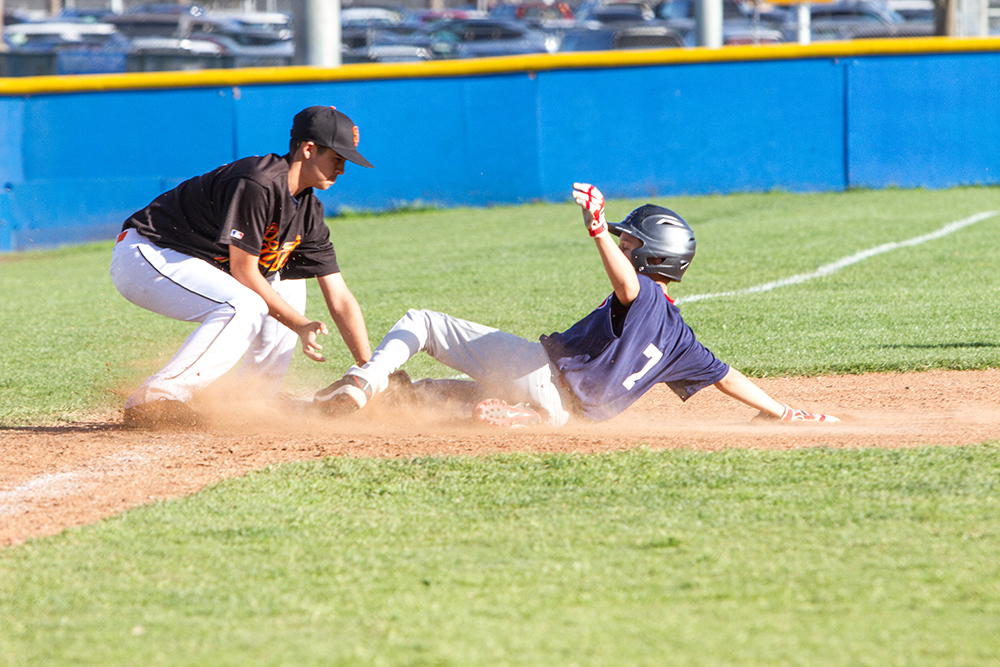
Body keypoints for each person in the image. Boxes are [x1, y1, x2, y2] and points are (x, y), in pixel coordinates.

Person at [313, 182, 839, 427]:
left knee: (422, 322)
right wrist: (785, 412)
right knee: (429, 394)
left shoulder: (645, 294)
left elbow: (630, 288)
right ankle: (508, 415)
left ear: (651, 256)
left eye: (631, 244)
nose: (623, 246)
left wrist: (596, 231)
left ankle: (364, 382)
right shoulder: (682, 341)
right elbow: (728, 378)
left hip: (543, 378)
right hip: (572, 417)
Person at [110, 106, 374, 428]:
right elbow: (245, 272)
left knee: (289, 281)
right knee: (244, 304)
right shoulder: (258, 182)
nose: (342, 170)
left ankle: (247, 400)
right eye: (337, 158)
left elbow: (340, 296)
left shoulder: (308, 210)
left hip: (200, 262)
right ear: (308, 149)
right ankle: (156, 397)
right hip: (149, 253)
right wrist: (301, 325)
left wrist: (369, 368)